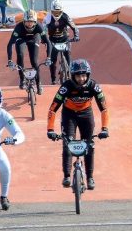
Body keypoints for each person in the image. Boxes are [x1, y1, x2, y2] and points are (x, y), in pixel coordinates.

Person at [46, 59, 109, 190]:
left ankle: (90, 177)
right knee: (67, 144)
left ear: (88, 75)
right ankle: (67, 176)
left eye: (84, 75)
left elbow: (104, 109)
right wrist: (50, 129)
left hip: (86, 114)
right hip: (69, 115)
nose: (81, 78)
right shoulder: (66, 87)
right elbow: (53, 108)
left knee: (89, 145)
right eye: (78, 76)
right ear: (72, 76)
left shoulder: (93, 86)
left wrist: (105, 128)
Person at [7, 9, 52, 95]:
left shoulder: (39, 26)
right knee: (20, 55)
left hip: (34, 39)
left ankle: (39, 84)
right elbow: (10, 44)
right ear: (24, 21)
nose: (29, 24)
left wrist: (48, 57)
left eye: (32, 22)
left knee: (34, 61)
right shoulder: (18, 27)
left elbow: (48, 42)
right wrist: (9, 60)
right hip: (21, 39)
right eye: (27, 21)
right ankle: (22, 79)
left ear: (35, 21)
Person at [43, 0, 80, 85]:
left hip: (65, 39)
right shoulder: (47, 18)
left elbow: (74, 27)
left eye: (58, 12)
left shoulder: (65, 16)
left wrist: (76, 35)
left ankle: (71, 76)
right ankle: (53, 79)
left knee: (68, 58)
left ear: (61, 11)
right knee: (53, 61)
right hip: (53, 41)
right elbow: (44, 30)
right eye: (54, 12)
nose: (56, 14)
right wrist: (44, 39)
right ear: (51, 11)